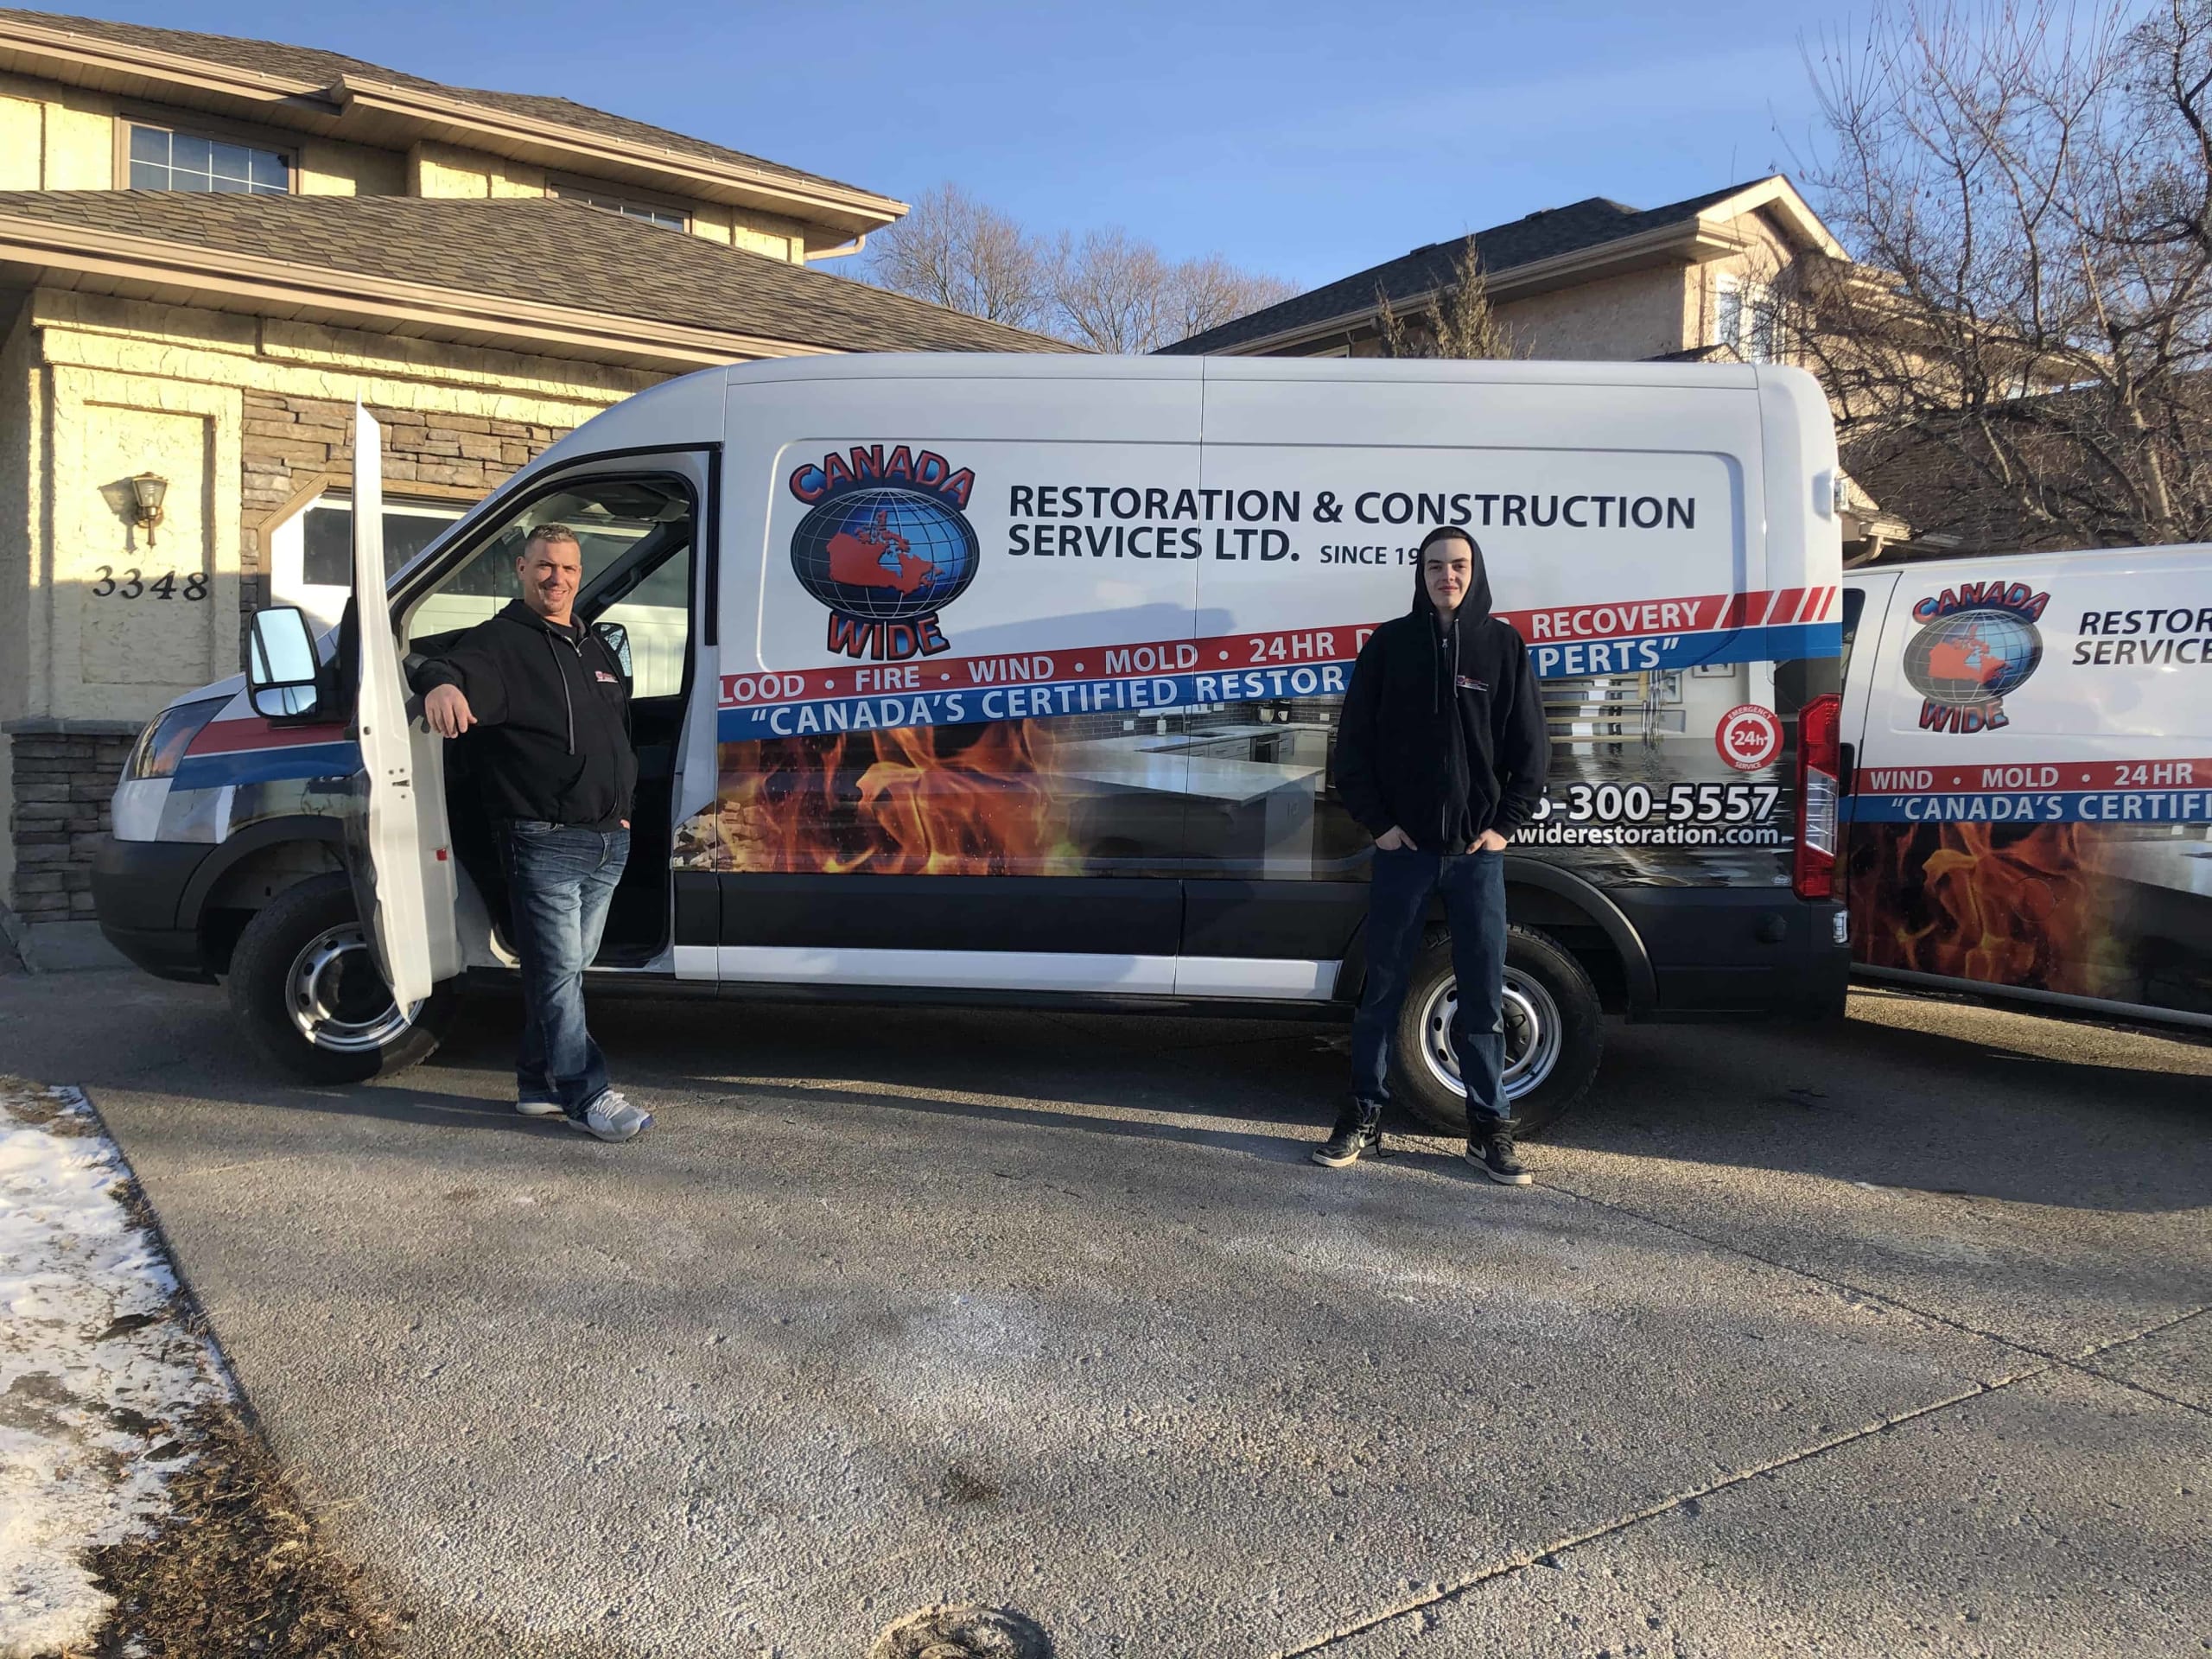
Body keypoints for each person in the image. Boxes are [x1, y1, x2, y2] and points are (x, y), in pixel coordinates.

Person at [1319, 525, 1548, 1182]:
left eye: (1458, 564)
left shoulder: (1503, 646)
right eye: (1434, 566)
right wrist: (1380, 825)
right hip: (1405, 853)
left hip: (1477, 856)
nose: (1447, 575)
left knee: (1481, 997)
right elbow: (1353, 748)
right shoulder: (1389, 646)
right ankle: (1363, 1114)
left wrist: (1504, 826)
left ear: (1475, 572)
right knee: (1382, 991)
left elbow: (1531, 752)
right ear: (1418, 575)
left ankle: (1488, 1130)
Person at [415, 524, 652, 1143]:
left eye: (569, 569)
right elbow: (442, 663)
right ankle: (586, 1093)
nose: (558, 579)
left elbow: (618, 735)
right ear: (522, 569)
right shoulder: (499, 643)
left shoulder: (593, 645)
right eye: (546, 567)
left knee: (566, 970)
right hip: (544, 839)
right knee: (554, 974)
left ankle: (536, 1083)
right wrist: (440, 684)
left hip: (607, 840)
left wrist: (622, 811)